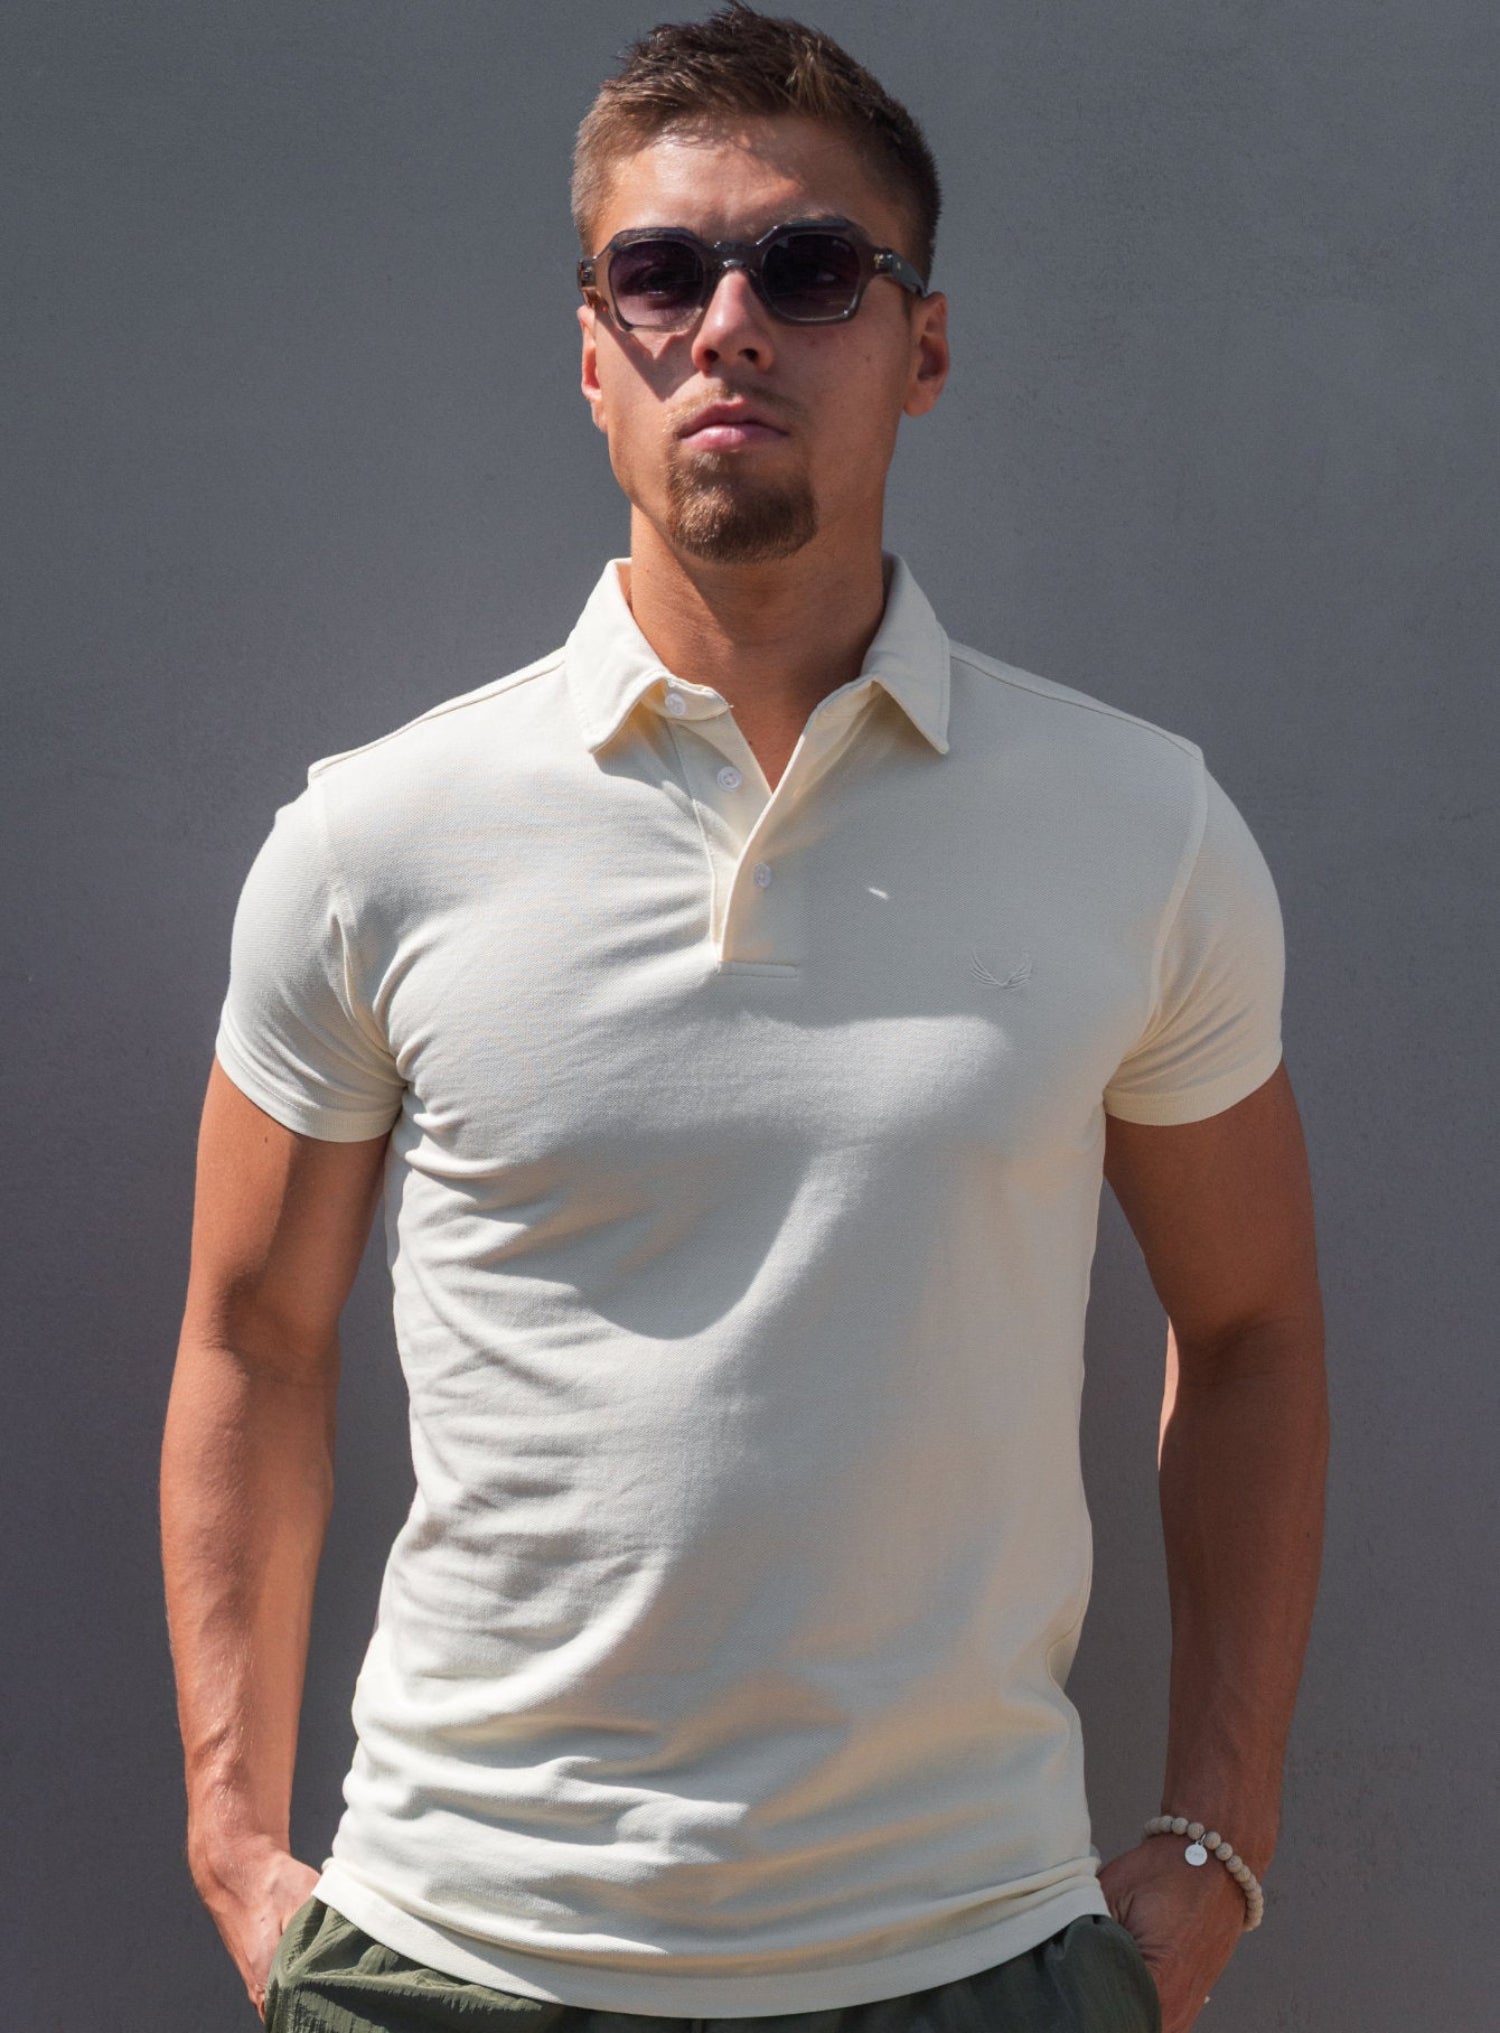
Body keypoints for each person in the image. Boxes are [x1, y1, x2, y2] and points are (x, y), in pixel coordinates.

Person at [161, 8, 1328, 2032]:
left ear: (922, 347)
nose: (728, 325)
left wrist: (1220, 1828)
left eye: (808, 268)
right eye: (661, 270)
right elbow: (250, 1337)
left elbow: (1252, 1333)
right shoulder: (376, 838)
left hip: (969, 1955)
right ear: (591, 351)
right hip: (454, 1957)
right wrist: (235, 1839)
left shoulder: (1142, 831)